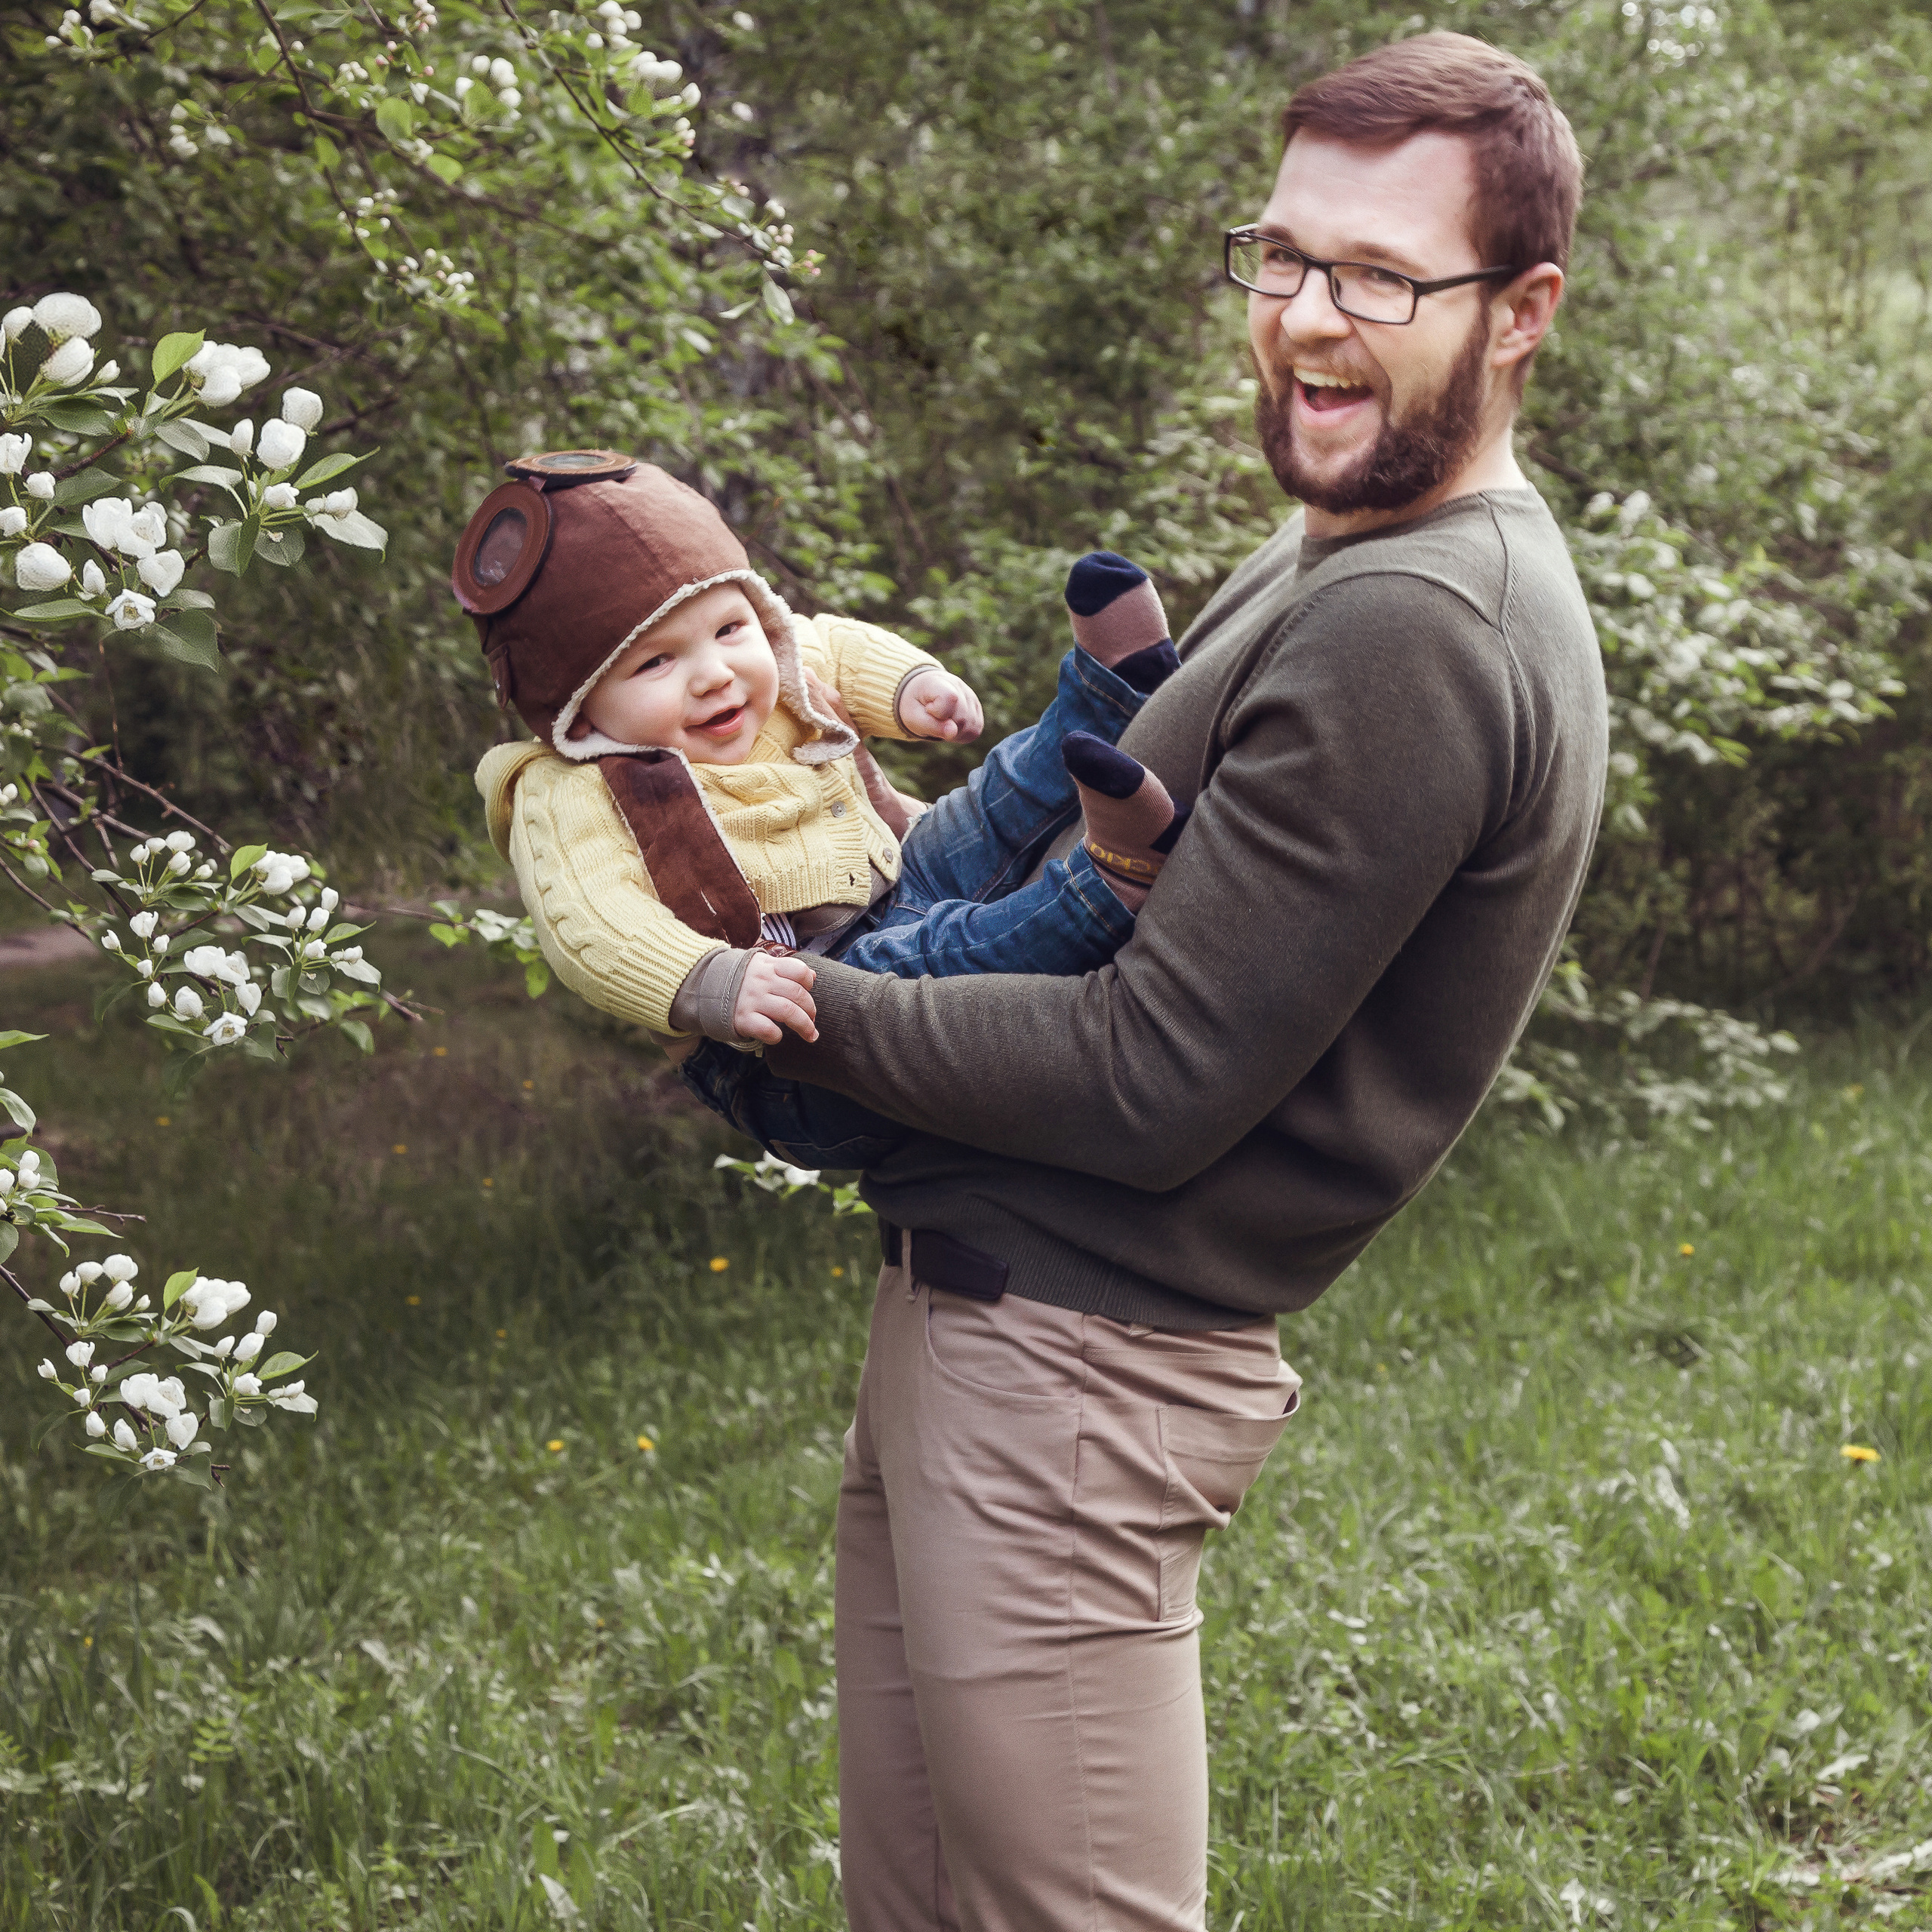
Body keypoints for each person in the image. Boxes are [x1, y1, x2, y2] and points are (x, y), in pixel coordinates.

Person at [741, 30, 1607, 1932]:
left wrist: (782, 1006)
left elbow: (1152, 1073)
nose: (1304, 317)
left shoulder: (1411, 622)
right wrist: (847, 859)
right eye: (1280, 255)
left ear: (1519, 311)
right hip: (991, 1332)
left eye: (1379, 276)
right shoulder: (1340, 548)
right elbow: (1112, 883)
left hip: (1072, 1373)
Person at [463, 453, 1189, 1165]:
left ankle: (1107, 694)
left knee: (974, 818)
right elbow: (591, 921)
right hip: (794, 1053)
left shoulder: (769, 670)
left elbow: (830, 644)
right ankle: (1104, 888)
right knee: (923, 958)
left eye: (730, 629)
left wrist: (911, 686)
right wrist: (710, 981)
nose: (715, 674)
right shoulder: (570, 794)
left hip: (892, 886)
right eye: (656, 662)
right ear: (579, 710)